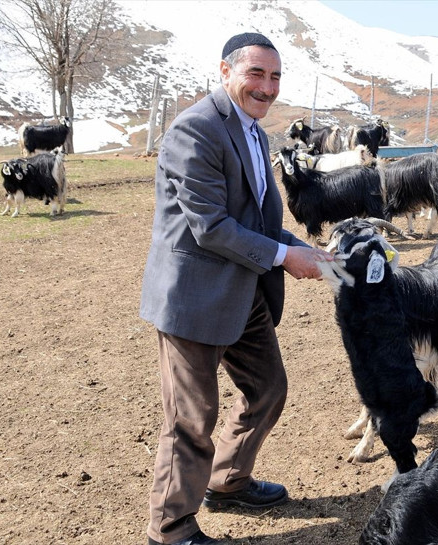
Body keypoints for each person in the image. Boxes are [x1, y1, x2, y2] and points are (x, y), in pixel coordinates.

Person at [140, 32, 332, 545]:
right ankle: (170, 528)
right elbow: (211, 226)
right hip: (195, 297)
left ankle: (226, 481)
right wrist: (285, 258)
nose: (267, 87)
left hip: (244, 290)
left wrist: (306, 249)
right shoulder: (196, 129)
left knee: (268, 388)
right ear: (225, 71)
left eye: (275, 76)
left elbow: (258, 221)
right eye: (256, 74)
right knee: (191, 419)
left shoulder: (254, 132)